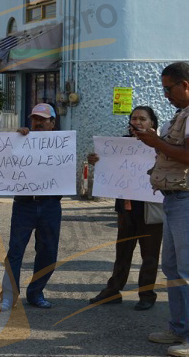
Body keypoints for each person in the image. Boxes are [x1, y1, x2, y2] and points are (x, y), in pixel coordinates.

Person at [136, 62, 189, 356]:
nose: (165, 94)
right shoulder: (180, 115)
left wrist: (156, 141)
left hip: (185, 200)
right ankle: (178, 328)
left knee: (185, 269)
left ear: (185, 85)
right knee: (171, 267)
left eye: (169, 88)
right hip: (173, 199)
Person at [87, 106, 163, 311]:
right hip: (126, 208)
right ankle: (113, 291)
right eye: (134, 118)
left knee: (150, 253)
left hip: (150, 207)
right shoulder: (118, 145)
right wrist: (96, 161)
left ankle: (147, 294)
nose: (137, 122)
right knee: (123, 251)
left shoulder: (161, 146)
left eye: (142, 119)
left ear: (152, 124)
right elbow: (108, 167)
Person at [0, 103, 62, 311]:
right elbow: (5, 159)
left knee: (48, 252)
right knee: (15, 251)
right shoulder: (21, 140)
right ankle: (8, 296)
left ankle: (36, 293)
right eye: (35, 119)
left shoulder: (62, 144)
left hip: (51, 204)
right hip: (24, 204)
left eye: (43, 119)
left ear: (53, 123)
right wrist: (15, 139)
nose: (38, 123)